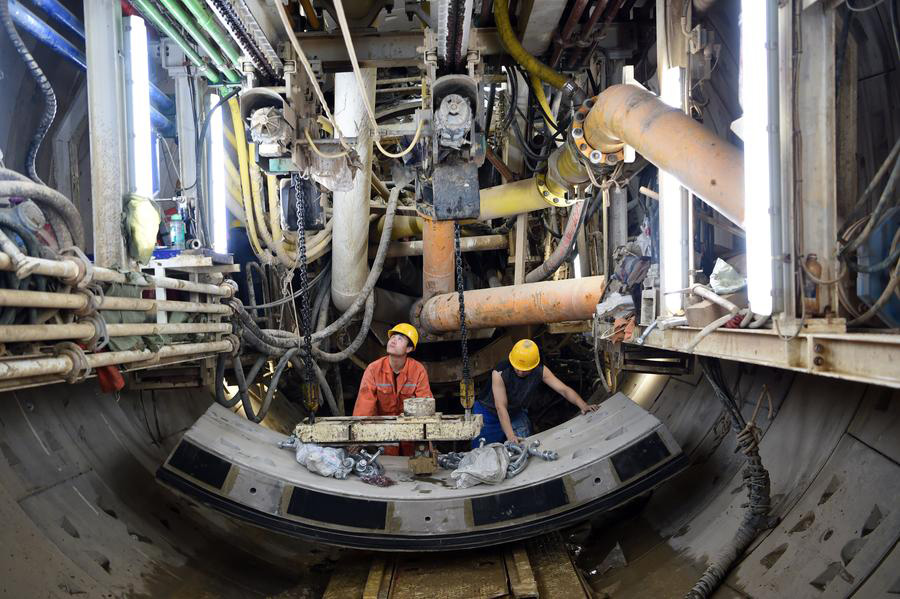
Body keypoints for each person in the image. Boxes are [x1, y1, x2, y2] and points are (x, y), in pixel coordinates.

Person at [472, 339, 598, 447]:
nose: (520, 372)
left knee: (525, 444)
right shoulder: (499, 372)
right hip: (487, 413)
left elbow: (563, 389)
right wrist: (510, 436)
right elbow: (500, 407)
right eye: (517, 368)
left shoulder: (540, 370)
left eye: (525, 370)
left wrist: (583, 405)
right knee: (483, 451)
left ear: (533, 365)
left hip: (514, 411)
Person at [353, 323, 432, 455]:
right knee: (388, 465)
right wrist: (357, 437)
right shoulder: (374, 369)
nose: (394, 340)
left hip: (411, 434)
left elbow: (425, 406)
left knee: (415, 463)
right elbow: (364, 406)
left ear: (409, 348)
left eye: (400, 338)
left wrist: (429, 439)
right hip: (383, 433)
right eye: (393, 337)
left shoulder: (418, 371)